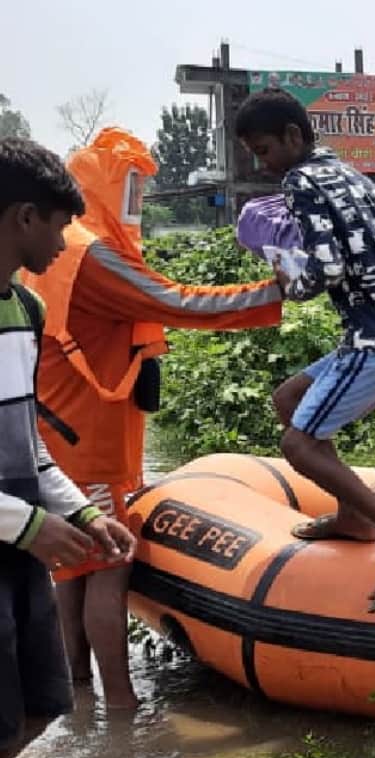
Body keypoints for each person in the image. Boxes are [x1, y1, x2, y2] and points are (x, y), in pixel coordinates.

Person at [22, 128, 284, 710]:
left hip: (61, 433)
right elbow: (177, 301)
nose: (136, 205)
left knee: (72, 569)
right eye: (129, 189)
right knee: (110, 563)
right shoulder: (88, 256)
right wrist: (280, 292)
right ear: (100, 187)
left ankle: (77, 695)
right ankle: (121, 707)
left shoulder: (57, 253)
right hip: (88, 442)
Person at [234, 89, 375, 613]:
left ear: (293, 137)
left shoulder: (300, 180)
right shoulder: (351, 174)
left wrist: (282, 273)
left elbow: (323, 271)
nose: (264, 163)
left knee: (298, 445)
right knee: (289, 399)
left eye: (264, 150)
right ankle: (354, 519)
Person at [0, 138, 137, 758]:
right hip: (19, 535)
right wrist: (30, 526)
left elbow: (30, 448)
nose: (63, 244)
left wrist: (82, 516)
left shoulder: (26, 310)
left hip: (21, 549)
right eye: (59, 226)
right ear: (24, 218)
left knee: (36, 711)